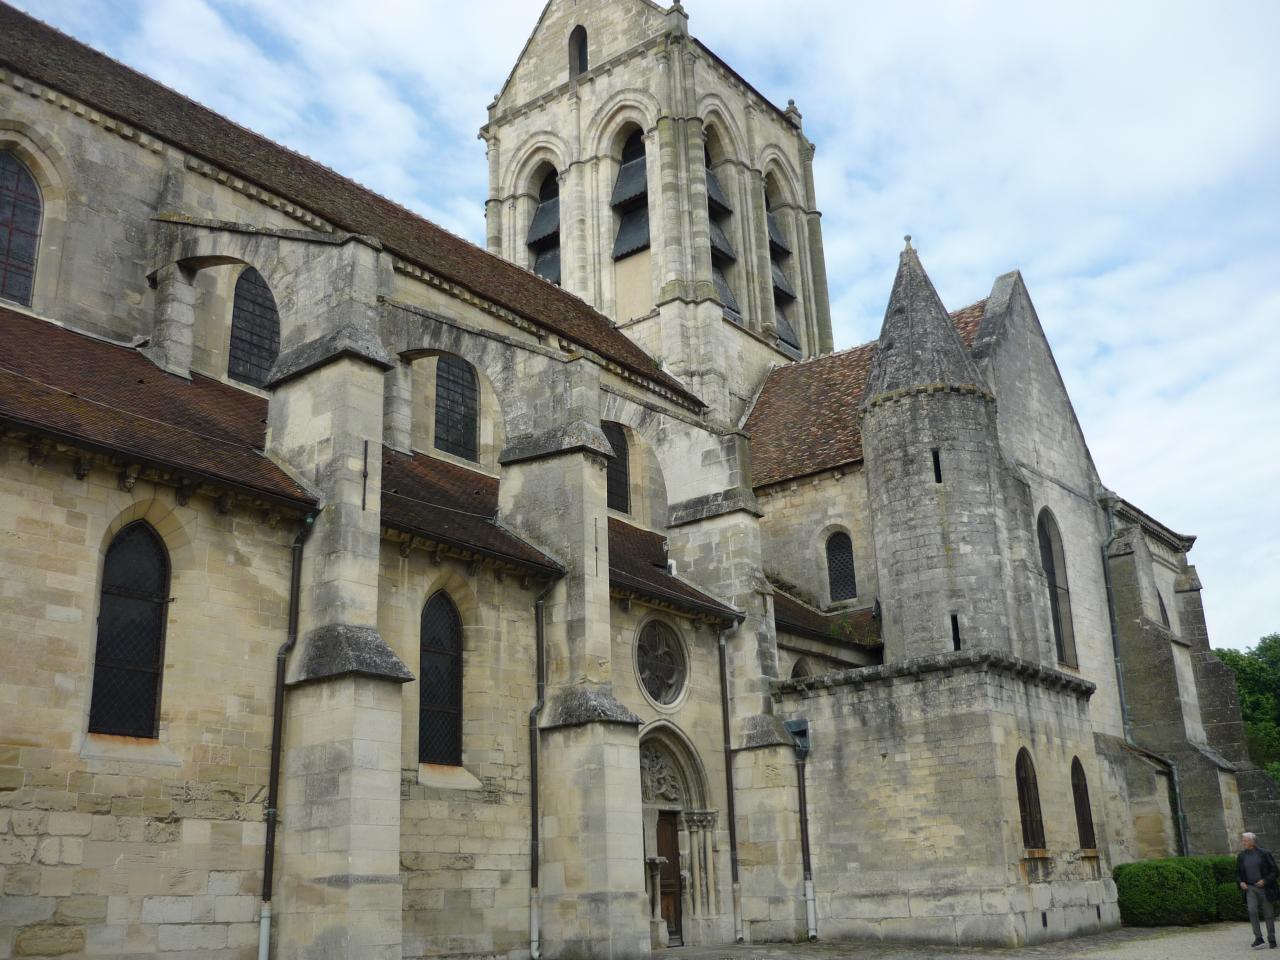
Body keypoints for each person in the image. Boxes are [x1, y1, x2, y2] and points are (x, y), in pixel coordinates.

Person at [1238, 831, 1279, 949]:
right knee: (1252, 911)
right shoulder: (1241, 856)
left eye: (1245, 841)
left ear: (1252, 841)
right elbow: (1238, 873)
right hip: (1250, 888)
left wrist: (1265, 881)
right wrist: (1241, 882)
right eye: (1243, 840)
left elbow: (1275, 871)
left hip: (1265, 888)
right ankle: (1258, 938)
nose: (1243, 843)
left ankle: (1271, 938)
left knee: (1269, 914)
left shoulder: (1264, 854)